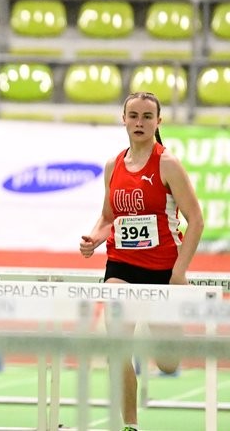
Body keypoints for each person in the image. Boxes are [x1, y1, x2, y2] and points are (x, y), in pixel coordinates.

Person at [79, 91, 204, 431]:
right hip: (121, 267)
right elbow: (108, 218)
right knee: (117, 345)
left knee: (166, 362)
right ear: (123, 119)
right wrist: (94, 238)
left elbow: (195, 219)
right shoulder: (113, 165)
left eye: (147, 117)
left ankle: (160, 330)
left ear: (158, 122)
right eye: (133, 115)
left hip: (163, 269)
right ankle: (130, 425)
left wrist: (179, 273)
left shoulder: (167, 164)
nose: (139, 122)